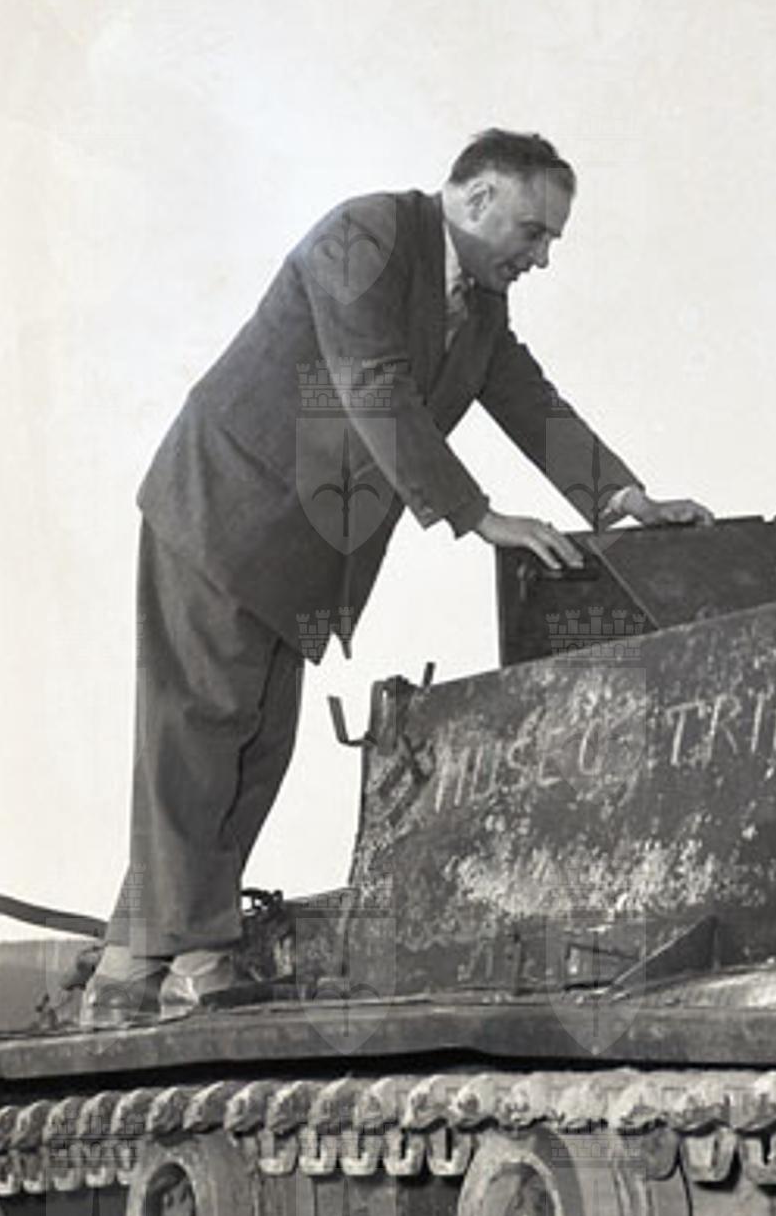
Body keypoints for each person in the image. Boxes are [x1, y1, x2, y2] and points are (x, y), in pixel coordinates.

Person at [82, 129, 711, 1029]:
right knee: (200, 731)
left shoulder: (478, 303)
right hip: (224, 507)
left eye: (550, 240)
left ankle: (156, 960)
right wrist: (476, 514)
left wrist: (621, 498)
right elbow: (371, 382)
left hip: (302, 552)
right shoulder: (365, 234)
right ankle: (153, 966)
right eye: (533, 232)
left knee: (252, 746)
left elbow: (524, 394)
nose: (540, 257)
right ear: (479, 197)